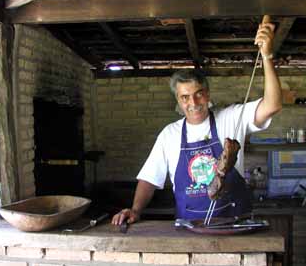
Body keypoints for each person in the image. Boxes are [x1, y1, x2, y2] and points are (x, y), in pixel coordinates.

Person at [112, 21, 282, 225]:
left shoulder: (230, 117)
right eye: (185, 97)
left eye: (198, 94)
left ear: (207, 94)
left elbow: (273, 104)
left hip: (234, 226)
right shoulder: (170, 134)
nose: (192, 103)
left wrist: (267, 56)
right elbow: (149, 178)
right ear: (178, 100)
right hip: (190, 229)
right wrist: (136, 210)